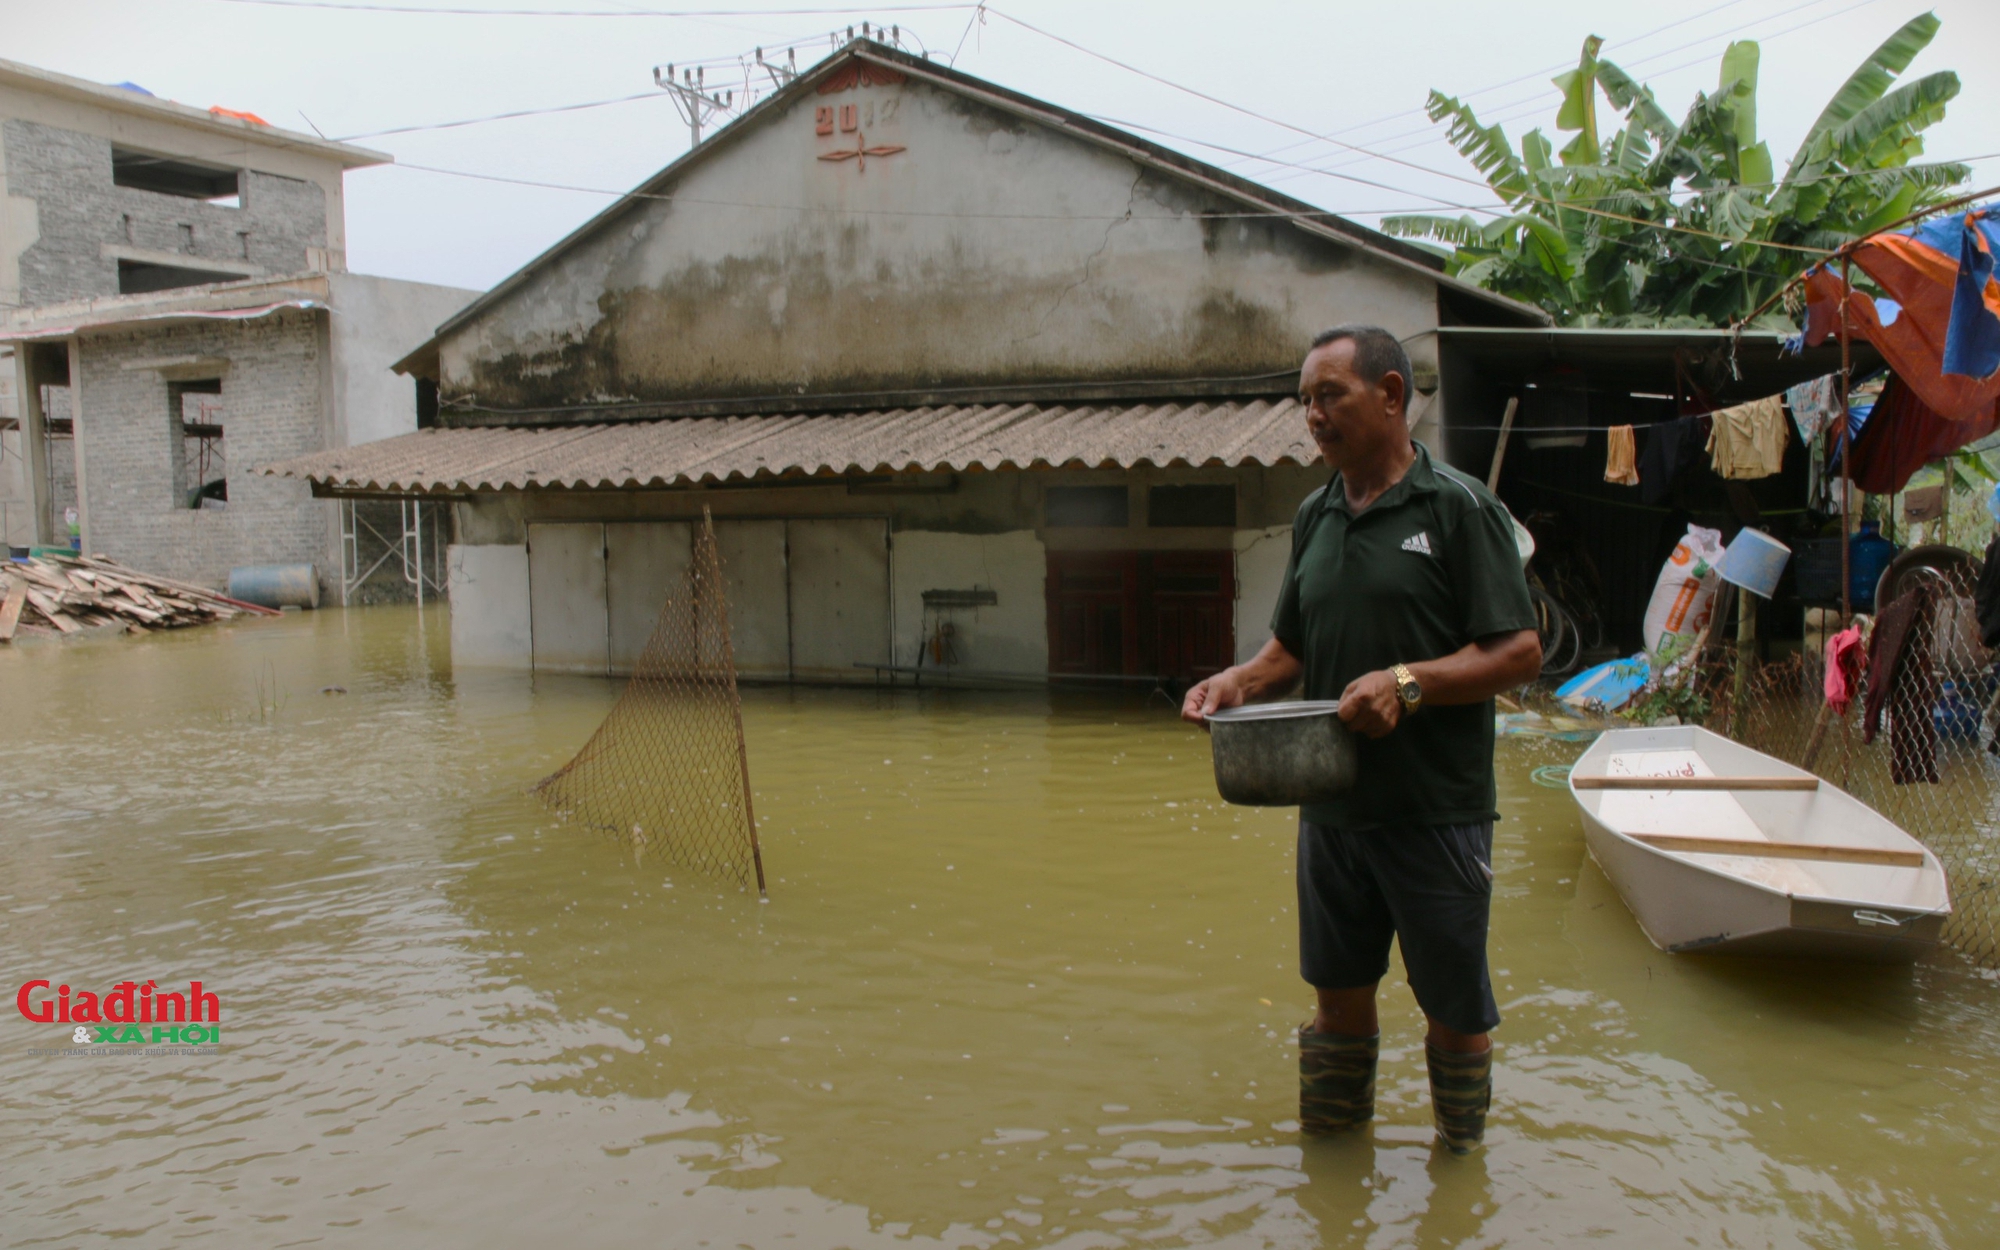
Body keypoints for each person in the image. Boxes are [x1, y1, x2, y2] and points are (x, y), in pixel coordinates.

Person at [1181, 325, 1541, 1154]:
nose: (1312, 415)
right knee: (1336, 1001)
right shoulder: (1315, 518)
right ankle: (1334, 1176)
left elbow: (1518, 651)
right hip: (1334, 814)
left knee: (1452, 1011)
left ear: (1390, 394)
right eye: (1305, 400)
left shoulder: (1457, 508)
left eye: (1329, 395)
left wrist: (1409, 684)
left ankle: (1460, 1170)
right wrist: (1234, 682)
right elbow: (1289, 653)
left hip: (1436, 813)